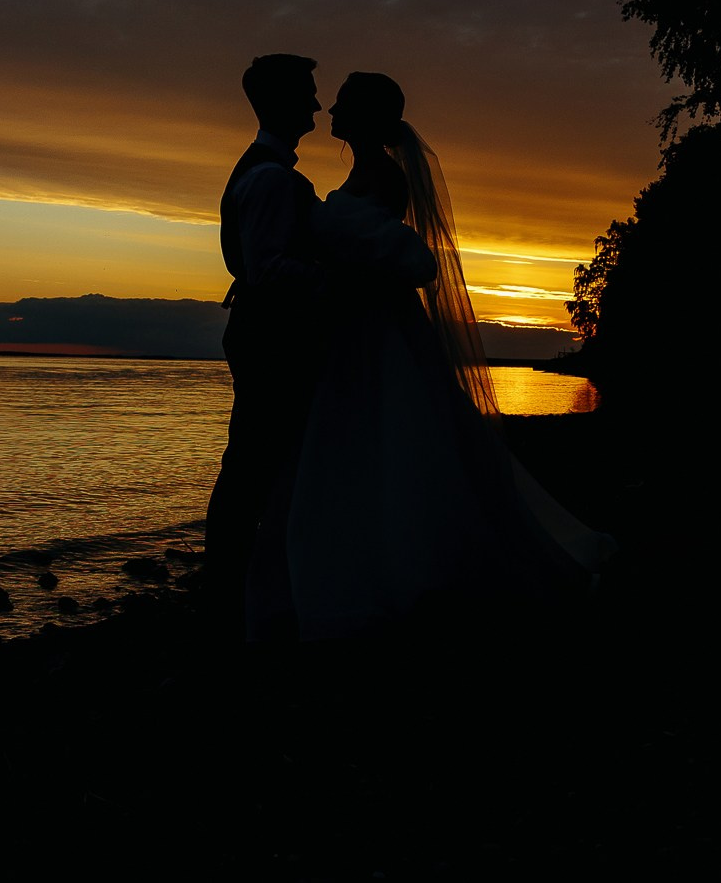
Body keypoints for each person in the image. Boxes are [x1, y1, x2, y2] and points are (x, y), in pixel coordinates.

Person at [246, 71, 614, 642]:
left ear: (364, 117)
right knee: (364, 444)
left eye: (341, 102)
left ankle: (397, 571)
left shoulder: (384, 177)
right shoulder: (364, 173)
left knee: (387, 441)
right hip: (354, 332)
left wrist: (343, 262)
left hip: (374, 333)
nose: (331, 110)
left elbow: (408, 258)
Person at [204, 53, 325, 637]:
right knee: (253, 464)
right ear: (280, 102)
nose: (317, 105)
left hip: (265, 335)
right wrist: (340, 280)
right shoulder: (272, 178)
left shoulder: (266, 172)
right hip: (270, 340)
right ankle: (227, 591)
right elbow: (267, 268)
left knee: (257, 462)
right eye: (307, 93)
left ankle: (238, 583)